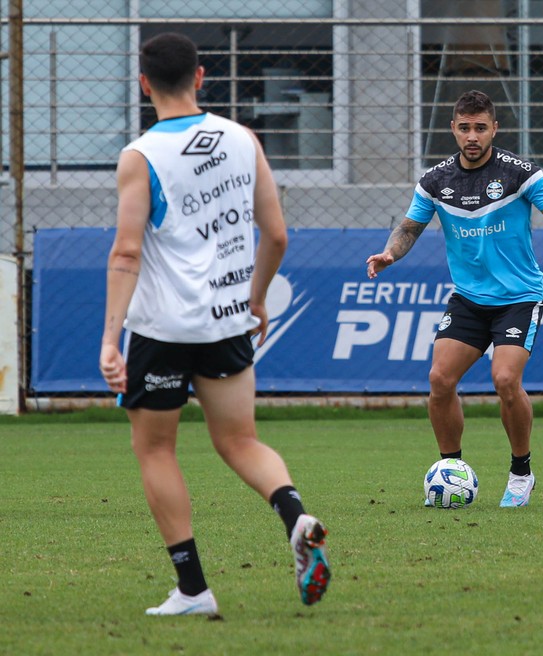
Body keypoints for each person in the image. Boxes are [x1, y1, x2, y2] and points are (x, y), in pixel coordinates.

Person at [99, 32, 330, 615]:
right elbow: (276, 235)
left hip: (162, 329)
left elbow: (127, 253)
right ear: (201, 77)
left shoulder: (141, 156)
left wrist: (109, 339)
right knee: (240, 441)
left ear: (144, 82)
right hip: (227, 322)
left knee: (156, 451)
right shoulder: (241, 138)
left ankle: (194, 590)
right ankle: (295, 516)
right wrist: (255, 300)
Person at [366, 90, 543, 508]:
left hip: (519, 297)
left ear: (494, 129)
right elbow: (410, 228)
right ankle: (451, 469)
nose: (473, 136)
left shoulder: (520, 174)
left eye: (481, 128)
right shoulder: (435, 181)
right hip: (469, 299)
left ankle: (521, 471)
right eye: (465, 128)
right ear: (453, 128)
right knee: (439, 381)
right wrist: (390, 253)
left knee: (506, 380)